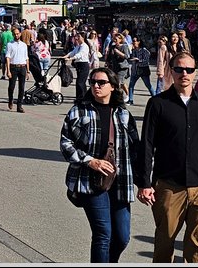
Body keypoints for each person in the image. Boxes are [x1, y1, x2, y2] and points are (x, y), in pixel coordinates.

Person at [137, 52, 198, 263]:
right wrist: (144, 183)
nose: (184, 74)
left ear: (195, 72)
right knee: (164, 244)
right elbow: (146, 146)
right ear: (171, 71)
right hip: (170, 187)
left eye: (189, 69)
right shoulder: (158, 104)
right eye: (179, 69)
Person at [62, 68, 141, 263]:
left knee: (122, 237)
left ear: (113, 86)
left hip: (120, 181)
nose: (96, 86)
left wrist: (145, 183)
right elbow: (65, 144)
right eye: (93, 82)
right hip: (90, 181)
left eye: (101, 82)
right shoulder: (79, 111)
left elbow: (135, 150)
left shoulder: (123, 114)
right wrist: (91, 161)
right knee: (103, 234)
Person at [6, 29, 30, 113]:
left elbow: (26, 58)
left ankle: (19, 106)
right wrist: (8, 70)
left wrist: (28, 70)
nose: (16, 35)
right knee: (11, 86)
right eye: (15, 34)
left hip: (22, 67)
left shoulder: (24, 45)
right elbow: (8, 58)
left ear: (20, 34)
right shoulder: (10, 44)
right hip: (13, 67)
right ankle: (10, 100)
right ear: (12, 35)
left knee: (22, 87)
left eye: (17, 34)